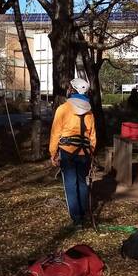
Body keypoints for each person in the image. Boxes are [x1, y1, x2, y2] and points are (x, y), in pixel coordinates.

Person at [49, 78, 97, 229]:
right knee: (82, 183)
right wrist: (91, 153)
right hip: (85, 152)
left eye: (70, 87)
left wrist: (53, 152)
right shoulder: (89, 113)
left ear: (72, 90)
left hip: (67, 151)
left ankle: (76, 219)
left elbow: (55, 132)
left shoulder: (63, 109)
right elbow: (93, 137)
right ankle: (84, 213)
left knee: (70, 184)